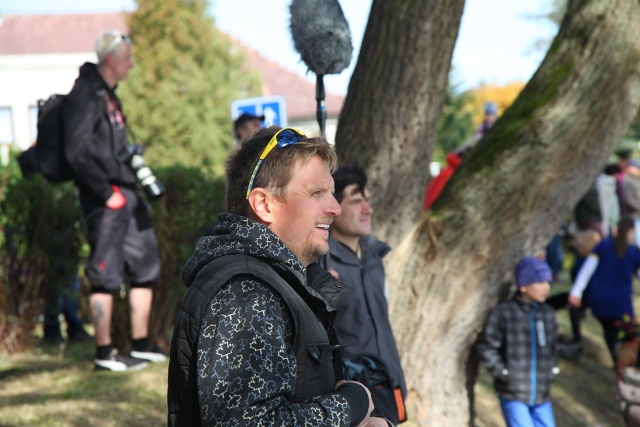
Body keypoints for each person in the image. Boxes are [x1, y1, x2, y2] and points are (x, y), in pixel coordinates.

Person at [168, 126, 389, 426]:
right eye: (316, 193)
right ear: (264, 205)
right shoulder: (245, 293)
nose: (335, 208)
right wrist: (350, 406)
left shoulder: (273, 282)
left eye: (332, 194)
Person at [63, 30, 166, 371]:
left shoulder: (108, 95)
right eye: (127, 58)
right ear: (110, 59)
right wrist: (106, 193)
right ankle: (104, 353)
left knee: (145, 266)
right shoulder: (84, 95)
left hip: (128, 192)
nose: (131, 65)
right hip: (106, 196)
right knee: (104, 273)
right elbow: (75, 154)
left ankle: (140, 345)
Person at [320, 166, 407, 424]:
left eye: (367, 200)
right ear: (334, 207)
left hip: (389, 384)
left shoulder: (374, 256)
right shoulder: (320, 262)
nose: (368, 209)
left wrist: (397, 379)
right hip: (353, 396)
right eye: (357, 201)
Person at [476, 256, 559, 427]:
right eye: (540, 282)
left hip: (542, 394)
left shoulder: (548, 314)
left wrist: (551, 371)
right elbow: (486, 345)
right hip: (513, 393)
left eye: (548, 282)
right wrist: (504, 373)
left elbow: (553, 347)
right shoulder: (505, 313)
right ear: (523, 286)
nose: (546, 287)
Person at [569, 217, 640, 367]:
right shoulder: (633, 252)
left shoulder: (603, 245)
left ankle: (619, 364)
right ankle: (625, 367)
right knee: (629, 336)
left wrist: (577, 291)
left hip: (598, 299)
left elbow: (587, 269)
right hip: (620, 304)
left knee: (610, 332)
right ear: (631, 231)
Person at [618, 160, 640, 246]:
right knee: (636, 242)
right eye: (636, 168)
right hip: (632, 216)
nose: (638, 171)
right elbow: (629, 200)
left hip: (636, 215)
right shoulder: (627, 181)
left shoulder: (633, 181)